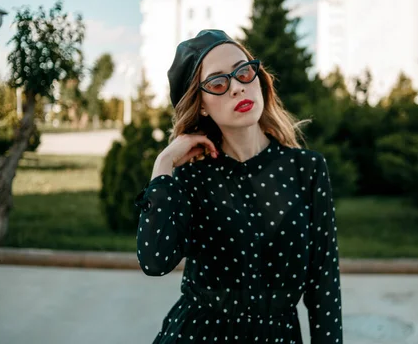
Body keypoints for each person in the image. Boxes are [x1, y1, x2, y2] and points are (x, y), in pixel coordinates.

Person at [135, 29, 343, 343]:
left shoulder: (307, 169)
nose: (237, 88)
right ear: (201, 104)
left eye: (243, 72)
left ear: (258, 79)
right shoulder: (192, 177)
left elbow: (324, 286)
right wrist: (163, 165)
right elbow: (154, 260)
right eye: (218, 82)